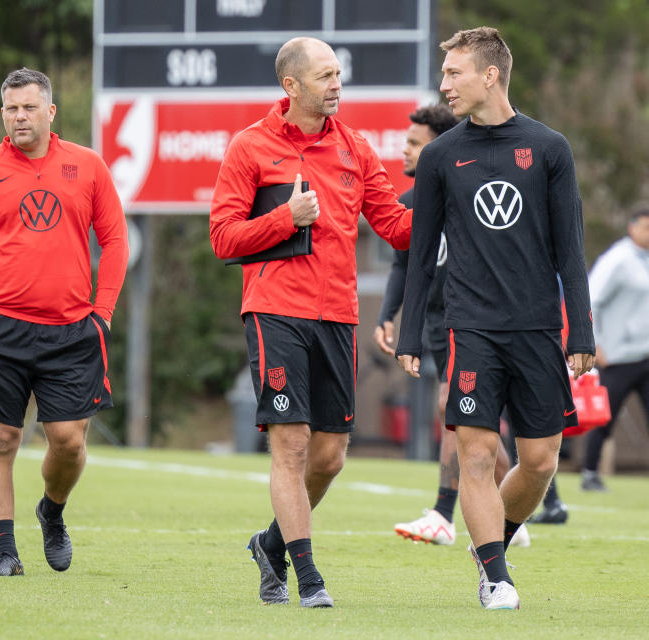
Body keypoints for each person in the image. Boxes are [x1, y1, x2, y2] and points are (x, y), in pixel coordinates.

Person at [396, 28, 595, 611]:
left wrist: (580, 330)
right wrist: (410, 332)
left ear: (490, 75)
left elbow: (571, 251)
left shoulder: (550, 148)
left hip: (537, 327)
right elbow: (419, 254)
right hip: (469, 327)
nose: (443, 84)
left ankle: (491, 547)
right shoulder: (438, 156)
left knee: (538, 462)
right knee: (476, 454)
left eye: (454, 73)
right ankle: (496, 577)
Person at [210, 37, 412, 608]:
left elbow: (396, 226)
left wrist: (451, 208)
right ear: (291, 85)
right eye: (324, 75)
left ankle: (269, 545)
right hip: (275, 311)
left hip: (337, 317)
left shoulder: (356, 148)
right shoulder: (249, 147)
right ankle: (308, 578)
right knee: (292, 448)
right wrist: (284, 218)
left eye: (338, 74)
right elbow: (223, 238)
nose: (336, 84)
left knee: (330, 457)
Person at [0, 68, 128, 576]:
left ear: (50, 111)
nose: (19, 116)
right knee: (2, 441)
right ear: (2, 113)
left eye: (28, 107)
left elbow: (115, 241)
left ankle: (52, 510)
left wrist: (103, 313)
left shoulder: (87, 166)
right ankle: (5, 553)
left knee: (68, 440)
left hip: (71, 330)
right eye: (10, 108)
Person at [372, 105, 530, 548]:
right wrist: (388, 314)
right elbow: (404, 266)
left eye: (415, 143)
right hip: (439, 325)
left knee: (453, 407)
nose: (405, 150)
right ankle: (520, 506)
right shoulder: (409, 202)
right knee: (462, 414)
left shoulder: (467, 190)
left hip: (474, 321)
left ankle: (443, 513)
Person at [580, 204, 649, 494]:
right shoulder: (617, 260)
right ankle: (590, 472)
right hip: (618, 355)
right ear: (633, 227)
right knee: (605, 417)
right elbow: (591, 299)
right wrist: (594, 342)